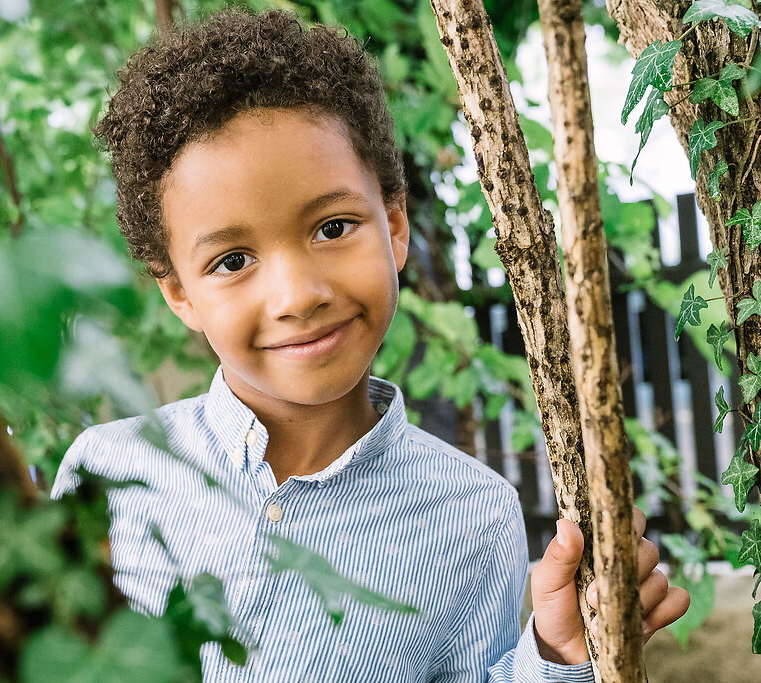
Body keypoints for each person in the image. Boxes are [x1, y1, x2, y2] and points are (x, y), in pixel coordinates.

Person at [51, 8, 689, 681]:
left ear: (393, 225)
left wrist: (558, 655)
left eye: (332, 227)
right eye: (233, 260)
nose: (297, 295)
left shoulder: (472, 514)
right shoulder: (110, 474)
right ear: (179, 293)